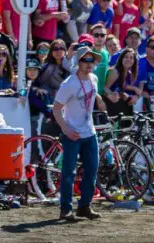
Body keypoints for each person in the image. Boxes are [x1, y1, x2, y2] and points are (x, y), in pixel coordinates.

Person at [53, 46, 107, 221]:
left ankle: (84, 206)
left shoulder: (94, 78)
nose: (90, 64)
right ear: (78, 62)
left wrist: (98, 98)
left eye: (92, 60)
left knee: (92, 170)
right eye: (86, 60)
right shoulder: (69, 83)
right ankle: (65, 209)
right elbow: (56, 109)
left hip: (89, 131)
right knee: (68, 172)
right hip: (73, 133)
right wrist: (66, 129)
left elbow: (91, 92)